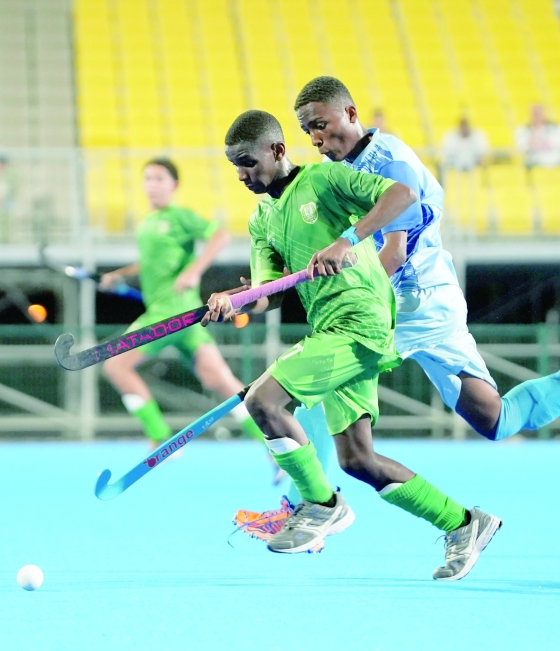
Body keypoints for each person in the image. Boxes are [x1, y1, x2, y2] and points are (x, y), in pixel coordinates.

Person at [233, 77, 560, 561]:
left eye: (321, 126)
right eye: (309, 132)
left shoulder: (389, 162)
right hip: (419, 297)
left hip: (412, 299)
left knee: (320, 375)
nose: (318, 140)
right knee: (494, 418)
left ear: (351, 113)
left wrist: (342, 257)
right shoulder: (338, 167)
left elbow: (392, 253)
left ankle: (308, 506)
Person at [204, 109, 500, 580]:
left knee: (264, 401)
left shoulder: (326, 180)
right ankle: (464, 523)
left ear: (277, 151)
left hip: (362, 321)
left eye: (247, 161)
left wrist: (347, 239)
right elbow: (270, 293)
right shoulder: (262, 220)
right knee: (358, 460)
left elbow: (401, 195)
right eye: (233, 165)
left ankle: (320, 506)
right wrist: (237, 301)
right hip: (330, 328)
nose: (241, 174)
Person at [99, 158, 269, 462]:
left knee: (115, 366)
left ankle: (158, 435)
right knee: (222, 382)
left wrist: (194, 271)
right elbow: (153, 264)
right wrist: (121, 275)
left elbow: (220, 236)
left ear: (174, 185)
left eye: (159, 178)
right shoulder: (146, 224)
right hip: (184, 318)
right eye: (147, 178)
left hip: (170, 315)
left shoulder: (180, 216)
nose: (152, 184)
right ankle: (275, 446)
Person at [515, 104, 560, 168]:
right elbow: (521, 148)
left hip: (557, 161)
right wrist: (534, 136)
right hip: (535, 163)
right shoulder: (524, 130)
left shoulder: (556, 127)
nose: (537, 116)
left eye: (539, 113)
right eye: (535, 114)